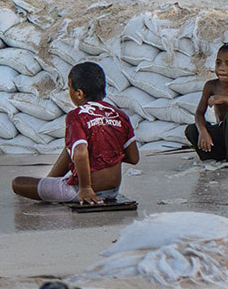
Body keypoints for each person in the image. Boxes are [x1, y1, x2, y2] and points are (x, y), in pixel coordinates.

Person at [12, 61, 140, 206]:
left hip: (84, 191)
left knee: (18, 183)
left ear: (79, 93)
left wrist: (85, 188)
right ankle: (51, 180)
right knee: (72, 146)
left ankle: (56, 186)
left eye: (70, 89)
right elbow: (134, 157)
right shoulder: (119, 115)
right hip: (113, 190)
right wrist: (107, 152)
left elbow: (80, 153)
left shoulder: (77, 116)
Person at [187, 40, 228, 162]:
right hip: (221, 131)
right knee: (191, 130)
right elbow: (199, 114)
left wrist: (226, 99)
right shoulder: (211, 86)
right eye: (218, 63)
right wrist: (202, 131)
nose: (221, 68)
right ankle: (213, 154)